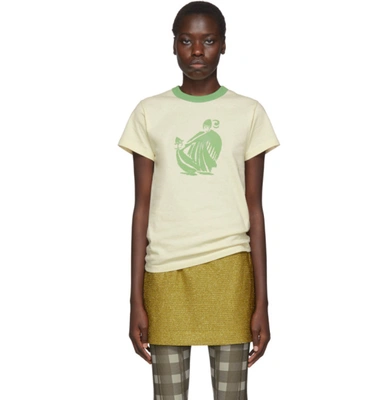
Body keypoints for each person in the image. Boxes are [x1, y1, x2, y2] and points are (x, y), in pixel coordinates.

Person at [118, 2, 280, 399]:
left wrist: (262, 302)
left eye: (208, 40)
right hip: (165, 274)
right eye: (186, 40)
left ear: (224, 45)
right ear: (173, 45)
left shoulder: (249, 112)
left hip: (231, 273)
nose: (196, 51)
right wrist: (135, 299)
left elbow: (255, 209)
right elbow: (141, 208)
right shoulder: (149, 112)